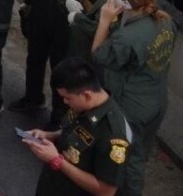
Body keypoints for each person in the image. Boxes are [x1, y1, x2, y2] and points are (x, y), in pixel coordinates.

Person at [91, 0, 173, 192]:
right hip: (156, 100)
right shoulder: (165, 21)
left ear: (126, 1)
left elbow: (99, 55)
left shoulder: (128, 37)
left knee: (128, 159)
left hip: (131, 105)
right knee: (139, 154)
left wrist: (105, 20)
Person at [22, 57, 131, 196]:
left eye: (67, 98)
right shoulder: (84, 104)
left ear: (86, 95)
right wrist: (51, 135)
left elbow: (106, 191)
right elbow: (76, 132)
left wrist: (57, 160)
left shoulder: (114, 135)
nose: (65, 102)